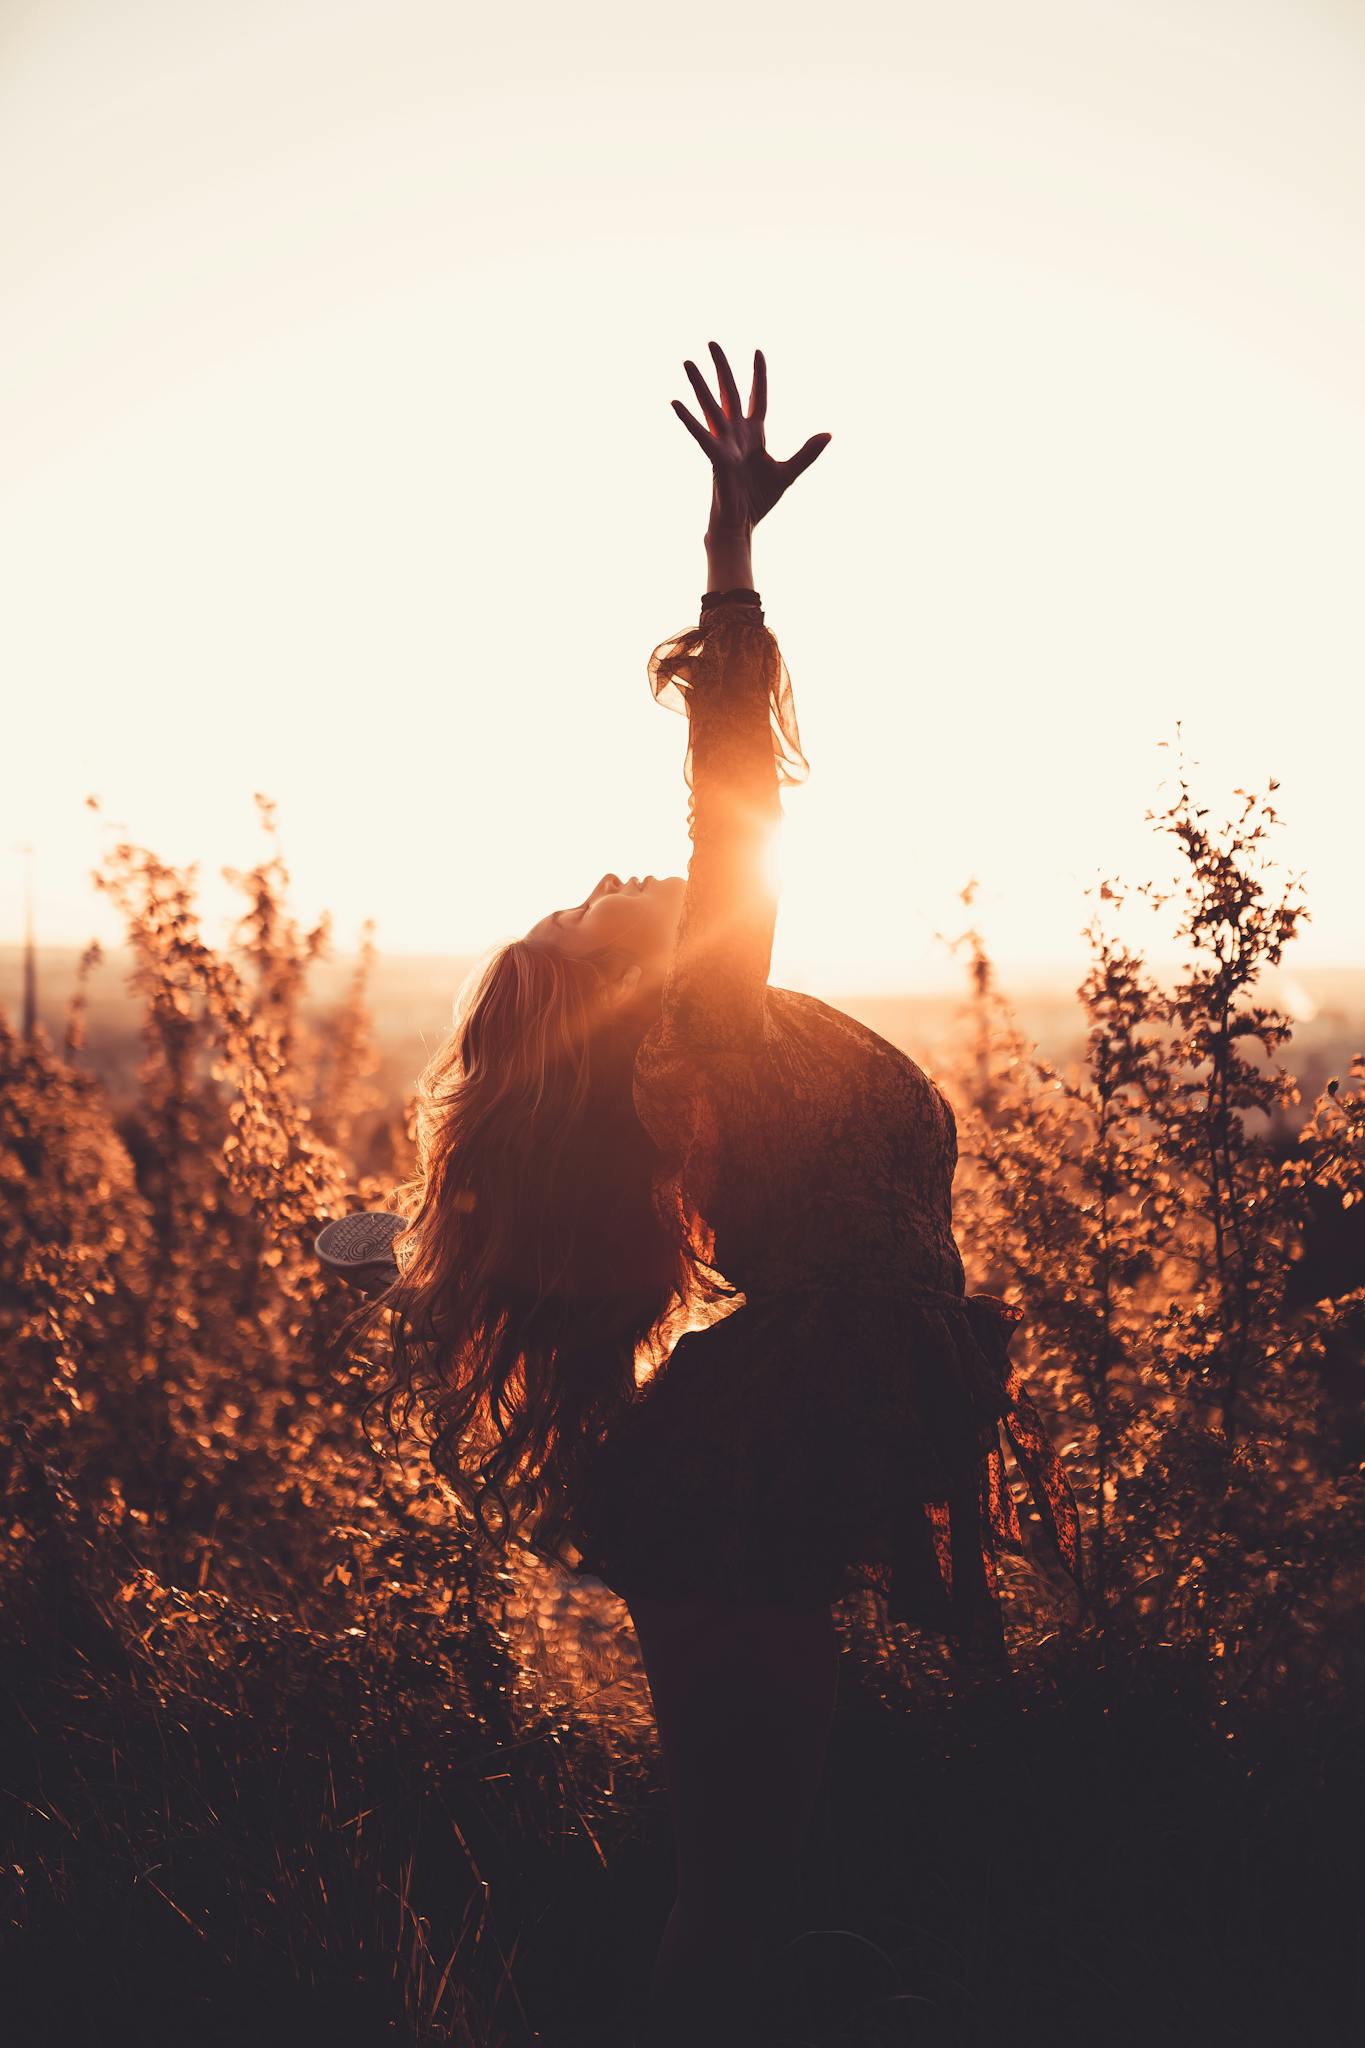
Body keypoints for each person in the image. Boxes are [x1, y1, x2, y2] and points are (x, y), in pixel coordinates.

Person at [344, 343, 1083, 2046]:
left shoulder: (722, 1040)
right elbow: (736, 791)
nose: (618, 875)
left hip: (802, 1418)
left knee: (749, 1881)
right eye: (590, 906)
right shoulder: (703, 1012)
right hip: (769, 1431)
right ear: (625, 991)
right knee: (730, 1889)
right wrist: (728, 561)